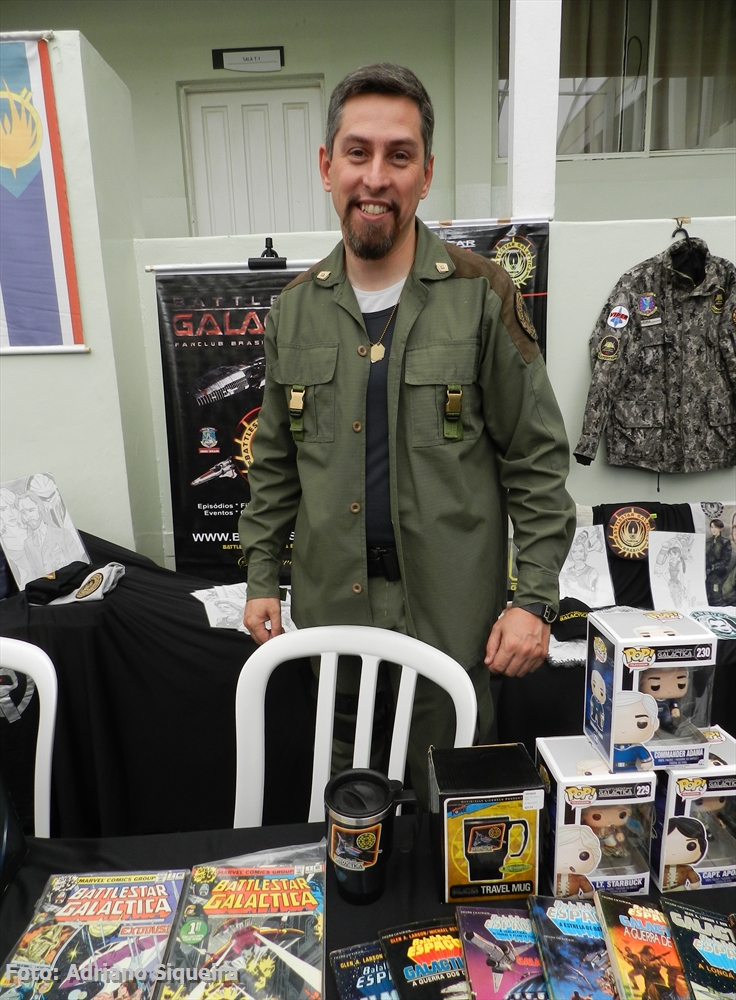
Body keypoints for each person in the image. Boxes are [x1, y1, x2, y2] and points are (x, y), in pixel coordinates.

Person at [239, 63, 575, 800]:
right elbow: (275, 464)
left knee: (453, 804)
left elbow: (536, 460)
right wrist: (262, 575)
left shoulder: (480, 294)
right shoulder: (294, 311)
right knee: (348, 803)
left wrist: (533, 600)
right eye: (357, 153)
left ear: (425, 174)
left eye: (399, 155)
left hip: (452, 622)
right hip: (332, 621)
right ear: (327, 167)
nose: (376, 177)